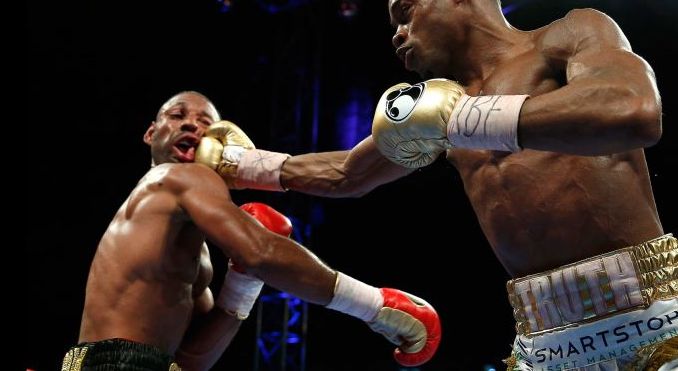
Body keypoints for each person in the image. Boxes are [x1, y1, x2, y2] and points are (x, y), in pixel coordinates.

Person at [197, 0, 678, 371]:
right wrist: (236, 164)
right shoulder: (434, 110)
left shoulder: (566, 36)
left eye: (406, 12)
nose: (397, 34)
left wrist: (463, 119)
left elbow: (632, 110)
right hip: (546, 345)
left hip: (664, 323)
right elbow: (345, 175)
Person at [61, 91, 441, 371]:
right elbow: (260, 252)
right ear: (150, 133)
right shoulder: (175, 176)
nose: (193, 123)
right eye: (177, 116)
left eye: (207, 122)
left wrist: (242, 283)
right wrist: (375, 305)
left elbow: (191, 361)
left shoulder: (194, 254)